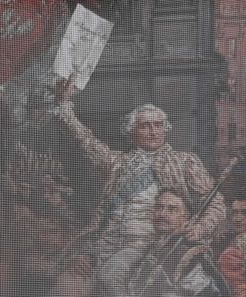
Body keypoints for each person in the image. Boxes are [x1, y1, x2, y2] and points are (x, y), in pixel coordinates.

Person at [55, 82, 225, 268]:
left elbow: (215, 203)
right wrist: (64, 106)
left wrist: (201, 228)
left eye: (158, 125)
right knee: (66, 284)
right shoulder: (117, 162)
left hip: (155, 248)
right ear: (131, 132)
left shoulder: (185, 162)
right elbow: (86, 141)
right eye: (145, 126)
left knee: (111, 279)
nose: (153, 132)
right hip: (106, 244)